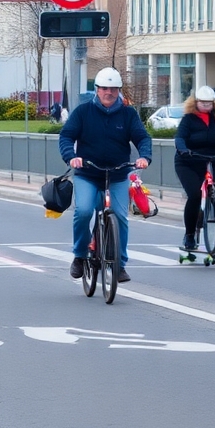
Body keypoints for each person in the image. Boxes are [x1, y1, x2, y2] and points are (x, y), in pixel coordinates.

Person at [58, 67, 152, 283]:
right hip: (88, 173)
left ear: (119, 90)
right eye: (104, 88)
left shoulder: (128, 114)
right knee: (83, 211)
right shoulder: (83, 112)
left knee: (120, 216)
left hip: (118, 174)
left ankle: (120, 265)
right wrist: (71, 156)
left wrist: (144, 157)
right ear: (97, 90)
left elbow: (142, 138)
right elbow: (66, 136)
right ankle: (79, 255)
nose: (109, 92)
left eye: (113, 89)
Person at [174, 86, 215, 251]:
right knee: (195, 195)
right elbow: (180, 137)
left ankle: (213, 208)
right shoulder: (188, 119)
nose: (206, 105)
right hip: (189, 161)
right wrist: (183, 149)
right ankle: (190, 234)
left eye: (209, 103)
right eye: (203, 103)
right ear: (196, 102)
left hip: (213, 158)